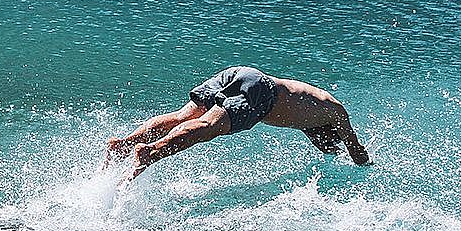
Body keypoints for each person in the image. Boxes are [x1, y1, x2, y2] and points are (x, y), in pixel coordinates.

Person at [105, 66, 369, 179]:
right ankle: (150, 152)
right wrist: (367, 168)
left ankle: (125, 144)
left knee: (182, 116)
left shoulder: (320, 109)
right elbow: (357, 152)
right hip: (262, 94)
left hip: (243, 73)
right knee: (209, 128)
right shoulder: (336, 114)